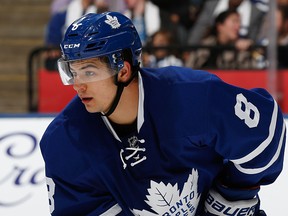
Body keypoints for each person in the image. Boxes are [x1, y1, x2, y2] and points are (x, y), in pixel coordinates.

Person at [40, 12, 286, 216]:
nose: (77, 85)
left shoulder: (192, 95)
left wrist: (232, 193)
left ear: (123, 70)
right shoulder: (65, 142)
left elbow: (264, 134)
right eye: (72, 71)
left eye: (89, 72)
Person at [185, 9, 255, 69]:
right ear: (220, 26)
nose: (238, 26)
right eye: (234, 21)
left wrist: (250, 48)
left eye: (239, 22)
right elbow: (189, 68)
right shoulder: (205, 46)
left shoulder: (241, 48)